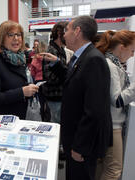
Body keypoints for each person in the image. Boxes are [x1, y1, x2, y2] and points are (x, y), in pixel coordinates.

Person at [43, 16, 113, 180]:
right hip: (74, 138)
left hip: (82, 144)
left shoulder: (93, 60)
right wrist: (56, 63)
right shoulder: (82, 57)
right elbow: (74, 80)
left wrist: (81, 147)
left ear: (77, 31)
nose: (64, 35)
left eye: (67, 30)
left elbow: (94, 111)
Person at [95, 30, 135, 180]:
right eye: (132, 50)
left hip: (110, 123)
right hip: (113, 126)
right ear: (122, 47)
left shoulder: (112, 64)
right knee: (114, 169)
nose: (132, 55)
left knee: (104, 166)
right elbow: (117, 100)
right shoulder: (111, 66)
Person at [0, 20, 39, 120]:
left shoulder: (20, 59)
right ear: (2, 38)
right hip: (1, 121)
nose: (16, 38)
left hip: (19, 117)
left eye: (18, 34)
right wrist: (22, 92)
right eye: (10, 35)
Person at [42, 21, 68, 124]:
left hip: (60, 95)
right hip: (54, 96)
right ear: (59, 32)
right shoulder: (51, 51)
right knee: (56, 125)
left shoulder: (61, 49)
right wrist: (66, 74)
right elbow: (49, 77)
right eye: (66, 31)